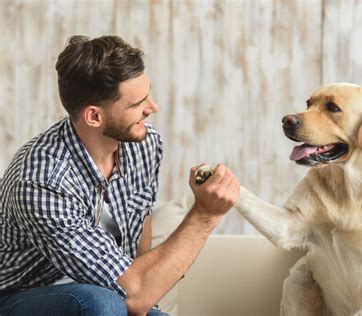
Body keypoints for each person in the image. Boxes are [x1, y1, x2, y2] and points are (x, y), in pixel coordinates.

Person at [0, 35, 240, 316]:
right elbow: (133, 295)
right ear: (94, 117)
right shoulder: (42, 179)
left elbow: (141, 226)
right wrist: (205, 214)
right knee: (100, 302)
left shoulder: (143, 143)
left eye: (148, 94)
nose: (152, 108)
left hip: (109, 288)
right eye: (137, 104)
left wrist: (149, 295)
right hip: (18, 295)